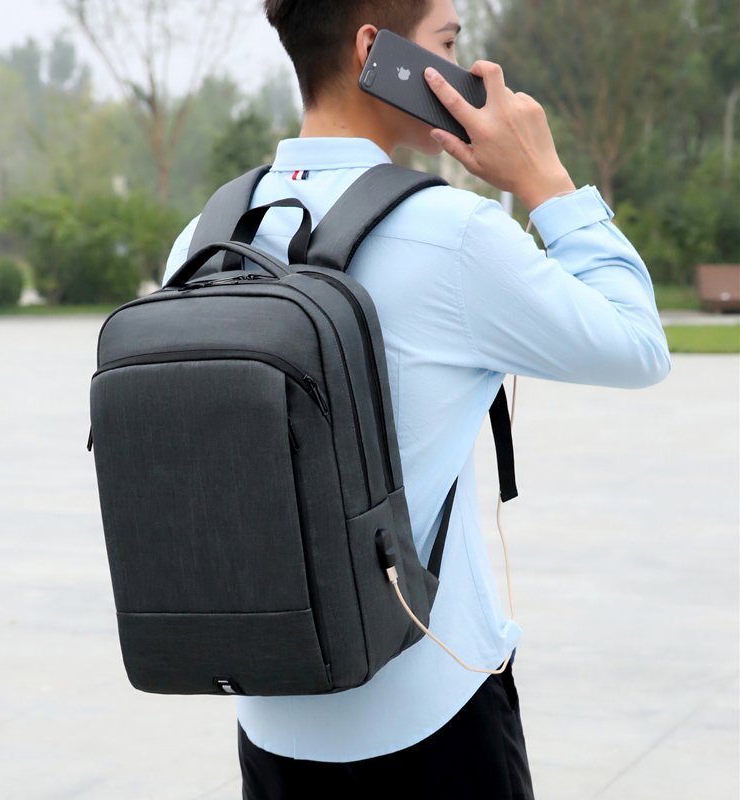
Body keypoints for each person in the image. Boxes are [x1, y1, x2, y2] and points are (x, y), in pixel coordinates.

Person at [162, 1, 672, 796]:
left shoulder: (204, 237)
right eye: (448, 44)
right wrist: (545, 180)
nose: (466, 74)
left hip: (269, 723)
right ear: (376, 51)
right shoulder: (452, 232)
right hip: (432, 722)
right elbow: (639, 345)